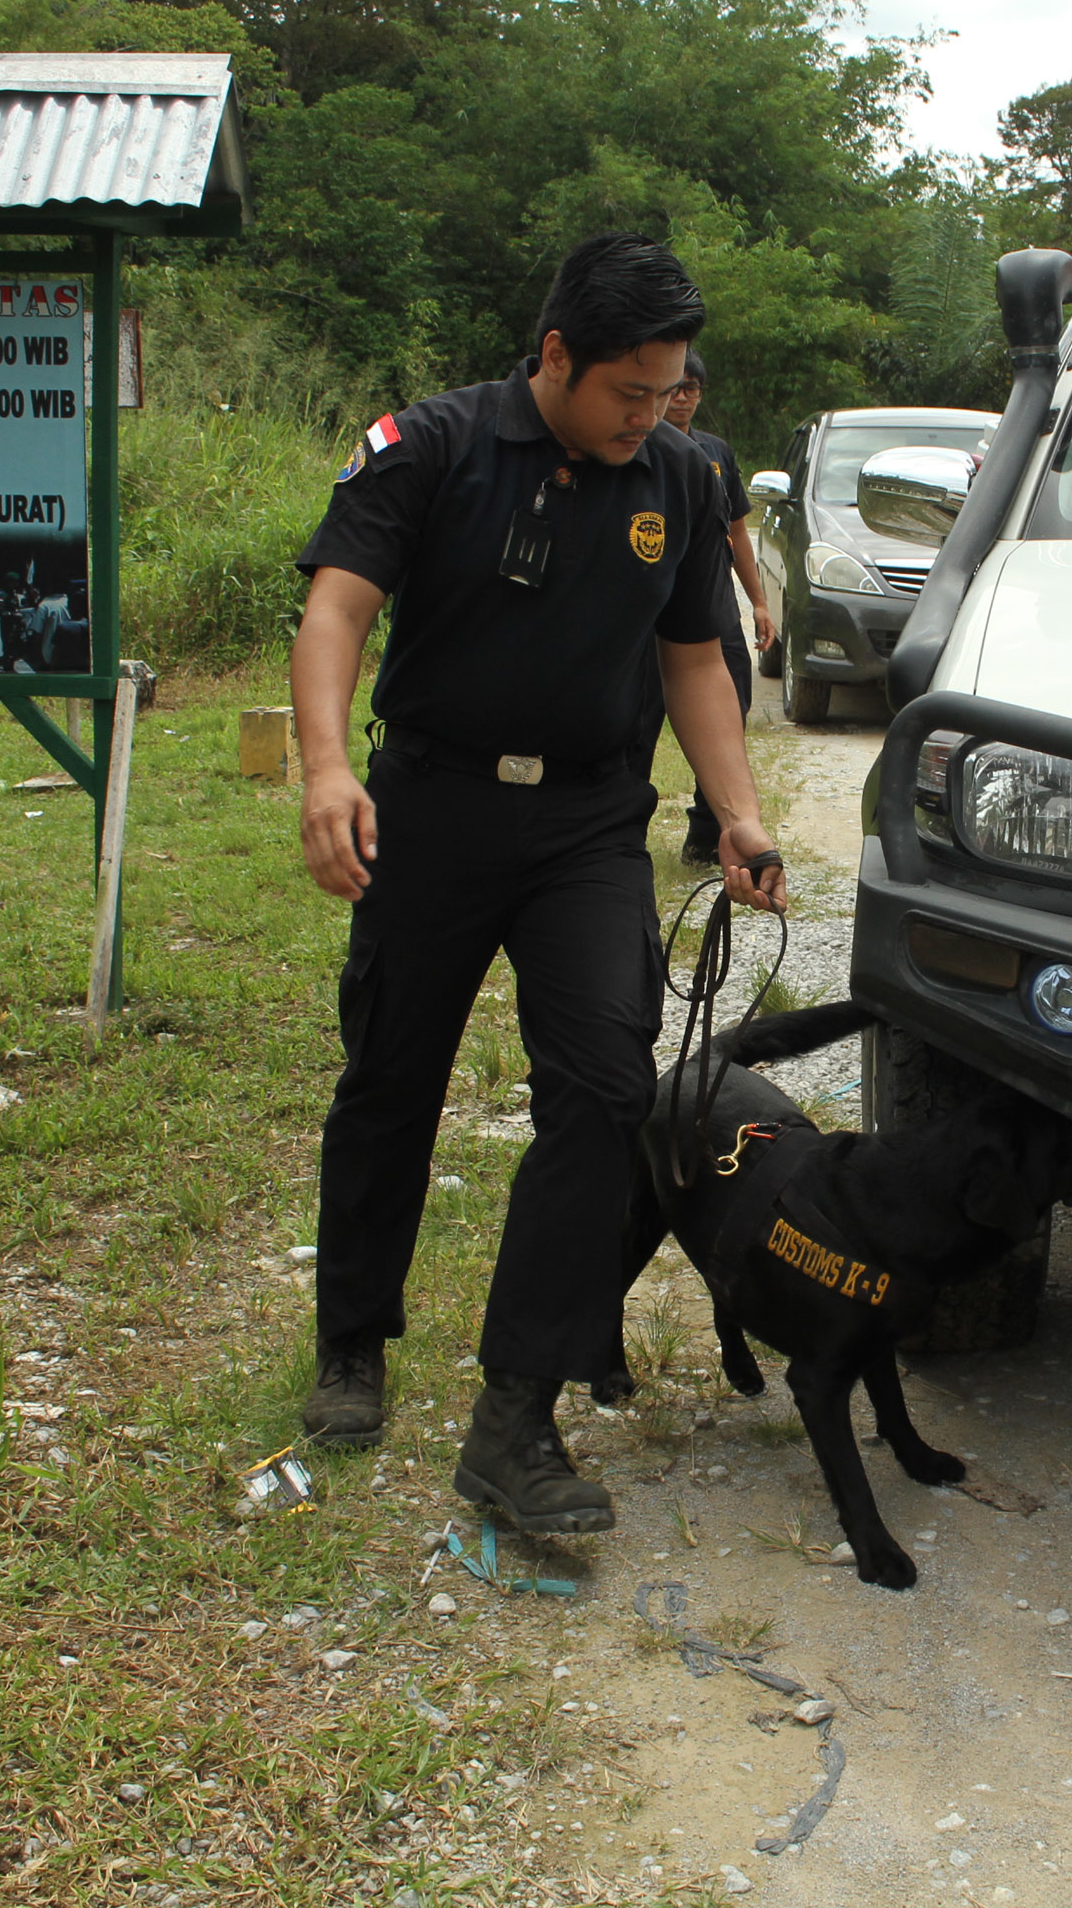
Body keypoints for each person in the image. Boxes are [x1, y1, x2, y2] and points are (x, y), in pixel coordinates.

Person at [287, 232, 789, 1536]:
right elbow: (337, 608)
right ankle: (353, 1342)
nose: (651, 416)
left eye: (669, 392)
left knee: (608, 1090)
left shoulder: (673, 480)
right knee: (393, 1074)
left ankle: (516, 1414)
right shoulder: (436, 448)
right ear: (557, 355)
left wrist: (734, 813)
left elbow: (693, 663)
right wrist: (330, 769)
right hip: (434, 807)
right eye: (630, 391)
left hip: (584, 825)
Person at [658, 348, 774, 862]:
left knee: (729, 705)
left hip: (712, 598)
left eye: (693, 388)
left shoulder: (715, 454)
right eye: (675, 386)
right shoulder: (630, 448)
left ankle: (708, 831)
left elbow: (738, 533)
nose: (683, 397)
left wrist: (759, 603)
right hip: (652, 597)